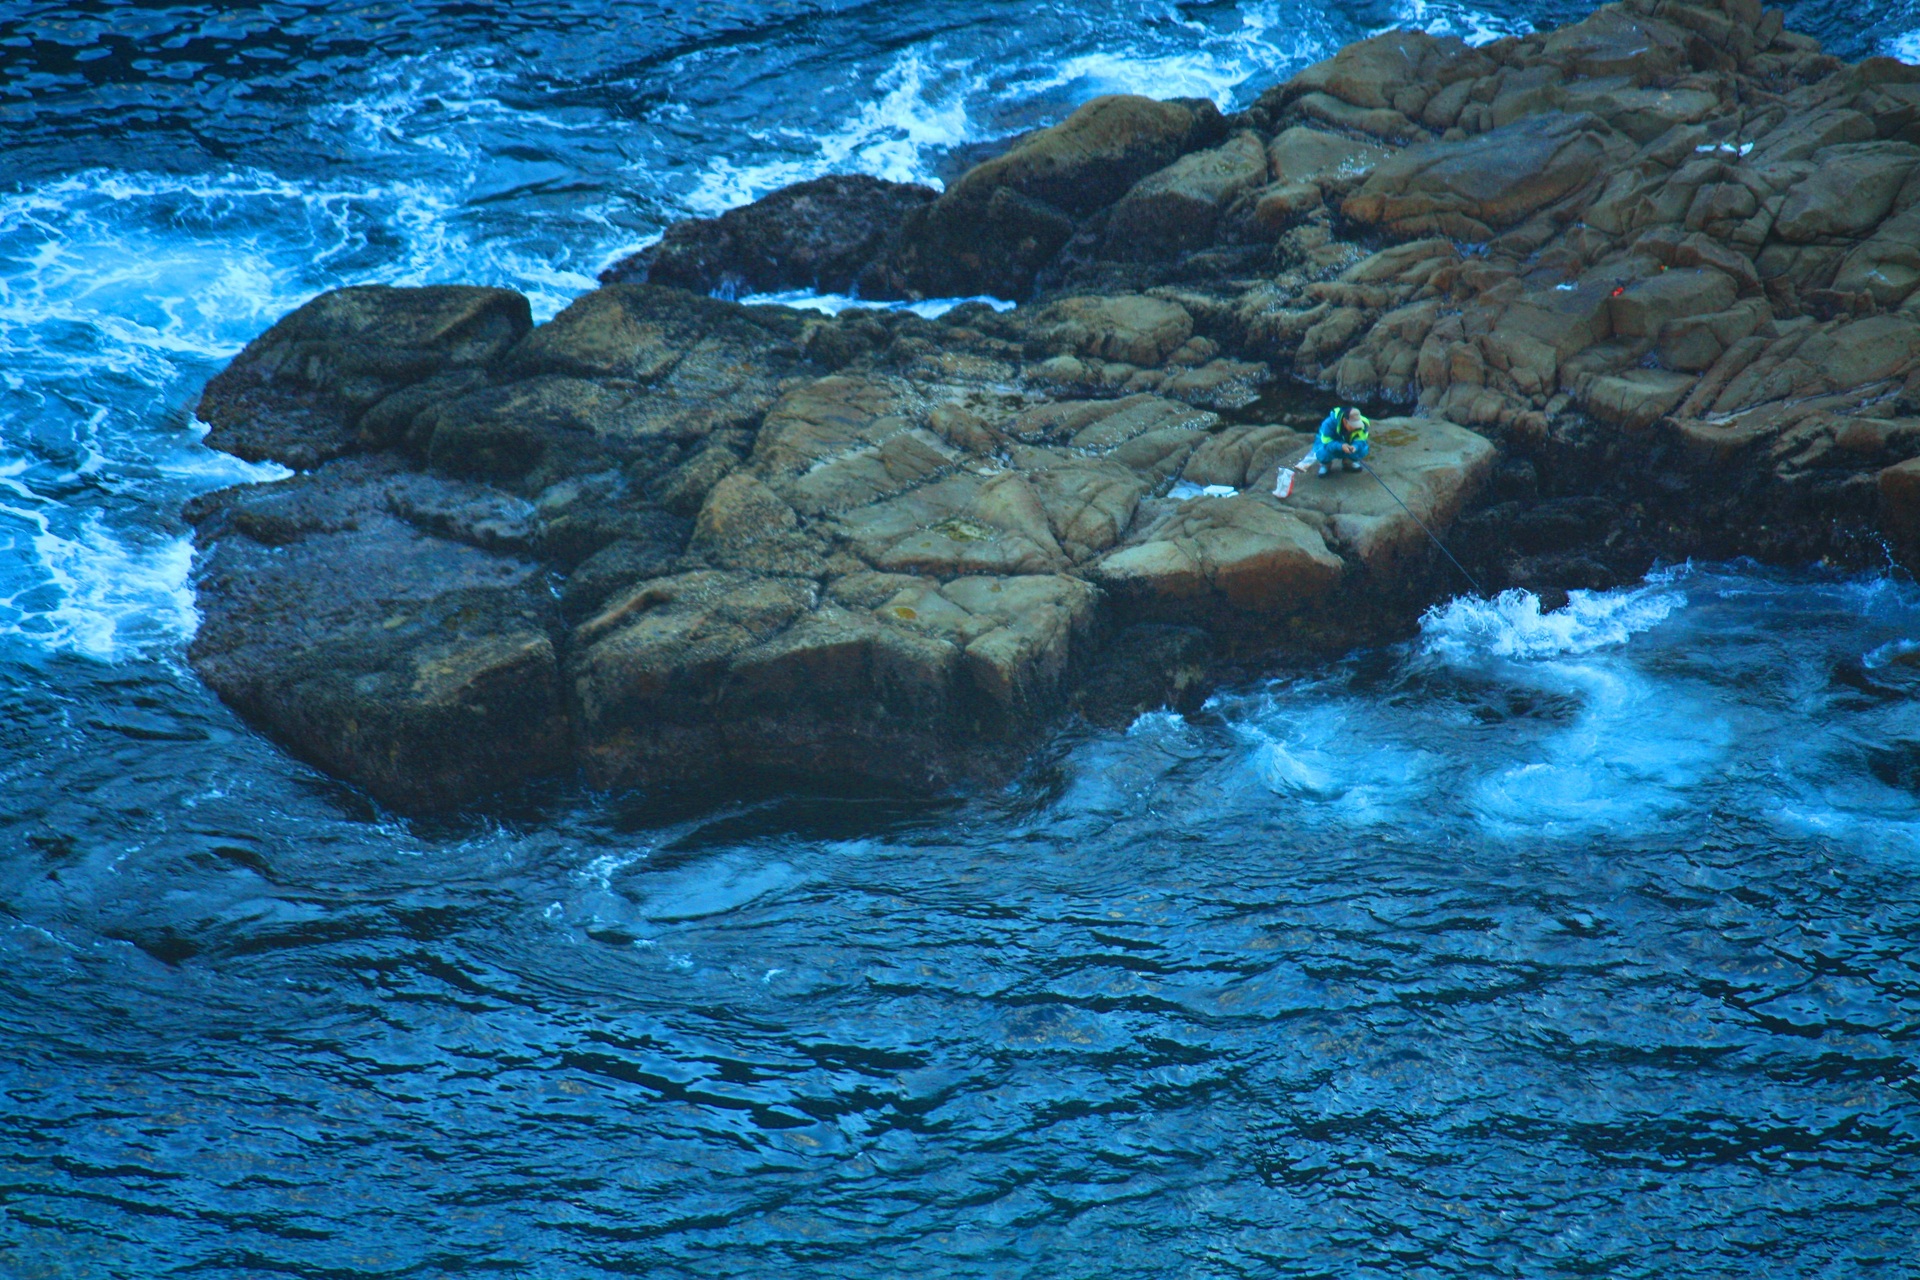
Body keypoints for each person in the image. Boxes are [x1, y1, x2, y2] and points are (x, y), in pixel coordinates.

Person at [1314, 406, 1371, 476]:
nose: (1355, 427)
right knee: (1322, 452)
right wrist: (1341, 446)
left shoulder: (1363, 425)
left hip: (1349, 444)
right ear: (1345, 421)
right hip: (1331, 445)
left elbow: (1361, 440)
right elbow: (1327, 443)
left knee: (1363, 449)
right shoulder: (1328, 424)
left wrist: (1355, 446)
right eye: (1352, 425)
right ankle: (1326, 464)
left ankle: (1348, 462)